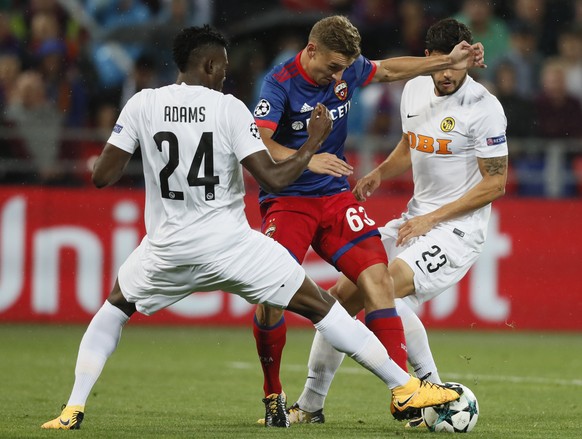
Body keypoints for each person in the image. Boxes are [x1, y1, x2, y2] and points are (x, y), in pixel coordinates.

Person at [40, 25, 463, 431]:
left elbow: (103, 176)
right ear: (208, 66)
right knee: (323, 307)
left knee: (113, 310)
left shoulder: (142, 104)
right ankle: (404, 387)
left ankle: (73, 407)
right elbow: (275, 179)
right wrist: (313, 143)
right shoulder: (230, 108)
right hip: (230, 246)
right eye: (223, 65)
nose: (227, 72)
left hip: (165, 248)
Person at [251, 14, 485, 427]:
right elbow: (259, 146)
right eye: (333, 67)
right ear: (311, 50)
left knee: (377, 279)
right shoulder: (279, 84)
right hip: (288, 200)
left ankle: (404, 392)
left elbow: (390, 68)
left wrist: (447, 60)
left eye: (345, 68)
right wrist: (308, 156)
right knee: (271, 294)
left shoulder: (346, 70)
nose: (339, 77)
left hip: (335, 197)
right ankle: (273, 393)